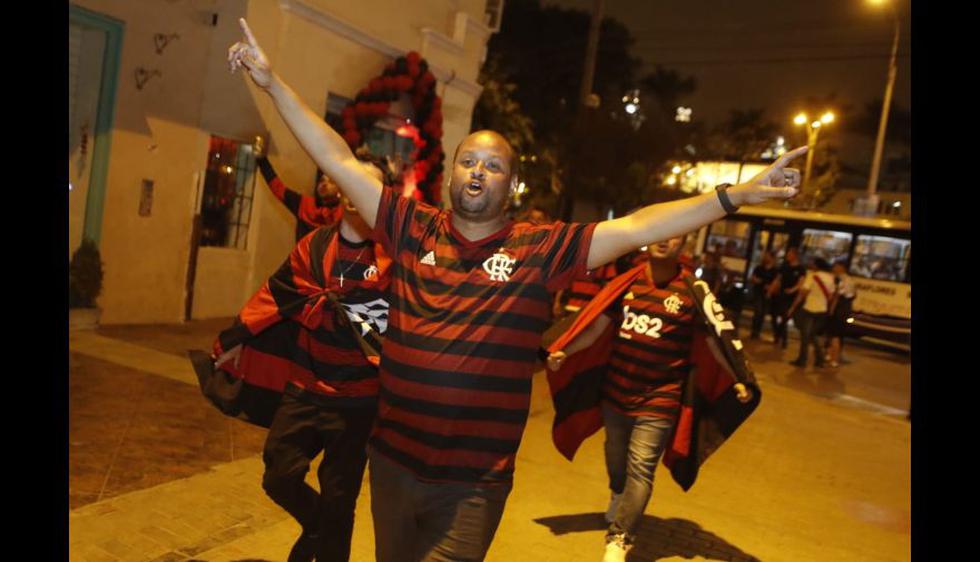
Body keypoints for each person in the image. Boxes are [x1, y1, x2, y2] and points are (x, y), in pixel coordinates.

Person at [227, 20, 805, 560]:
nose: (477, 172)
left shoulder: (543, 248)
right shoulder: (409, 227)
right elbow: (333, 154)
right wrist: (272, 83)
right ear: (451, 173)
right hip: (393, 464)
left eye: (493, 166)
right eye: (467, 161)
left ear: (511, 183)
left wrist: (737, 195)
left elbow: (640, 225)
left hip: (473, 483)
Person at [209, 161, 392, 562]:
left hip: (358, 403)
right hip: (305, 390)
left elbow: (408, 325)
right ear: (344, 190)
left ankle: (325, 535)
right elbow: (276, 294)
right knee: (279, 475)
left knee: (341, 500)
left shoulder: (393, 261)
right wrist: (238, 337)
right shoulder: (313, 247)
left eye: (372, 186)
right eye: (355, 181)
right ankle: (315, 524)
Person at [545, 233, 754, 561]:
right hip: (615, 393)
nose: (665, 241)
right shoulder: (625, 284)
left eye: (674, 238)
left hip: (660, 399)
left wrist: (737, 377)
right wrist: (563, 351)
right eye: (660, 235)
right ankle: (618, 494)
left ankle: (620, 538)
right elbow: (597, 328)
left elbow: (716, 339)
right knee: (616, 458)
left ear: (682, 246)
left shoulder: (692, 292)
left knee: (641, 467)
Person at [258, 151, 395, 241]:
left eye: (331, 181)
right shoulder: (304, 206)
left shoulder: (348, 214)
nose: (324, 184)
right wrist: (261, 159)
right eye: (322, 180)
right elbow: (278, 188)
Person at [787, 257, 835, 368]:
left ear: (817, 265)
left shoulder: (812, 275)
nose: (811, 265)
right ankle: (820, 359)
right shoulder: (830, 277)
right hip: (822, 310)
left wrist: (793, 306)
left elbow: (803, 293)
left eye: (812, 264)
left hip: (810, 308)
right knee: (812, 335)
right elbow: (831, 296)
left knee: (805, 336)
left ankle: (802, 360)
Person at [772, 247, 806, 348]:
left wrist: (792, 290)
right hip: (781, 293)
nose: (787, 256)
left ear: (795, 256)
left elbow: (801, 283)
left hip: (791, 296)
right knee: (775, 314)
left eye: (789, 254)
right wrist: (772, 289)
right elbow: (778, 279)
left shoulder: (801, 269)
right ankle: (778, 335)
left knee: (785, 316)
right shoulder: (784, 266)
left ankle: (782, 339)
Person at [825, 260, 856, 368]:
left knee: (835, 335)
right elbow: (854, 295)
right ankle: (829, 355)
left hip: (839, 310)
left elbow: (837, 296)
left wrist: (831, 310)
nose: (833, 268)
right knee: (838, 334)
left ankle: (834, 359)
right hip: (846, 310)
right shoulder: (850, 280)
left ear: (841, 267)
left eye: (836, 266)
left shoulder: (842, 280)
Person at [749, 250, 779, 340]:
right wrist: (758, 281)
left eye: (767, 256)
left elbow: (776, 282)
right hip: (758, 292)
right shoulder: (759, 268)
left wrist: (770, 289)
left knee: (762, 313)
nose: (765, 257)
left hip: (767, 294)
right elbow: (753, 278)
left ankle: (757, 331)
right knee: (758, 311)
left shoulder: (774, 270)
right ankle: (754, 331)